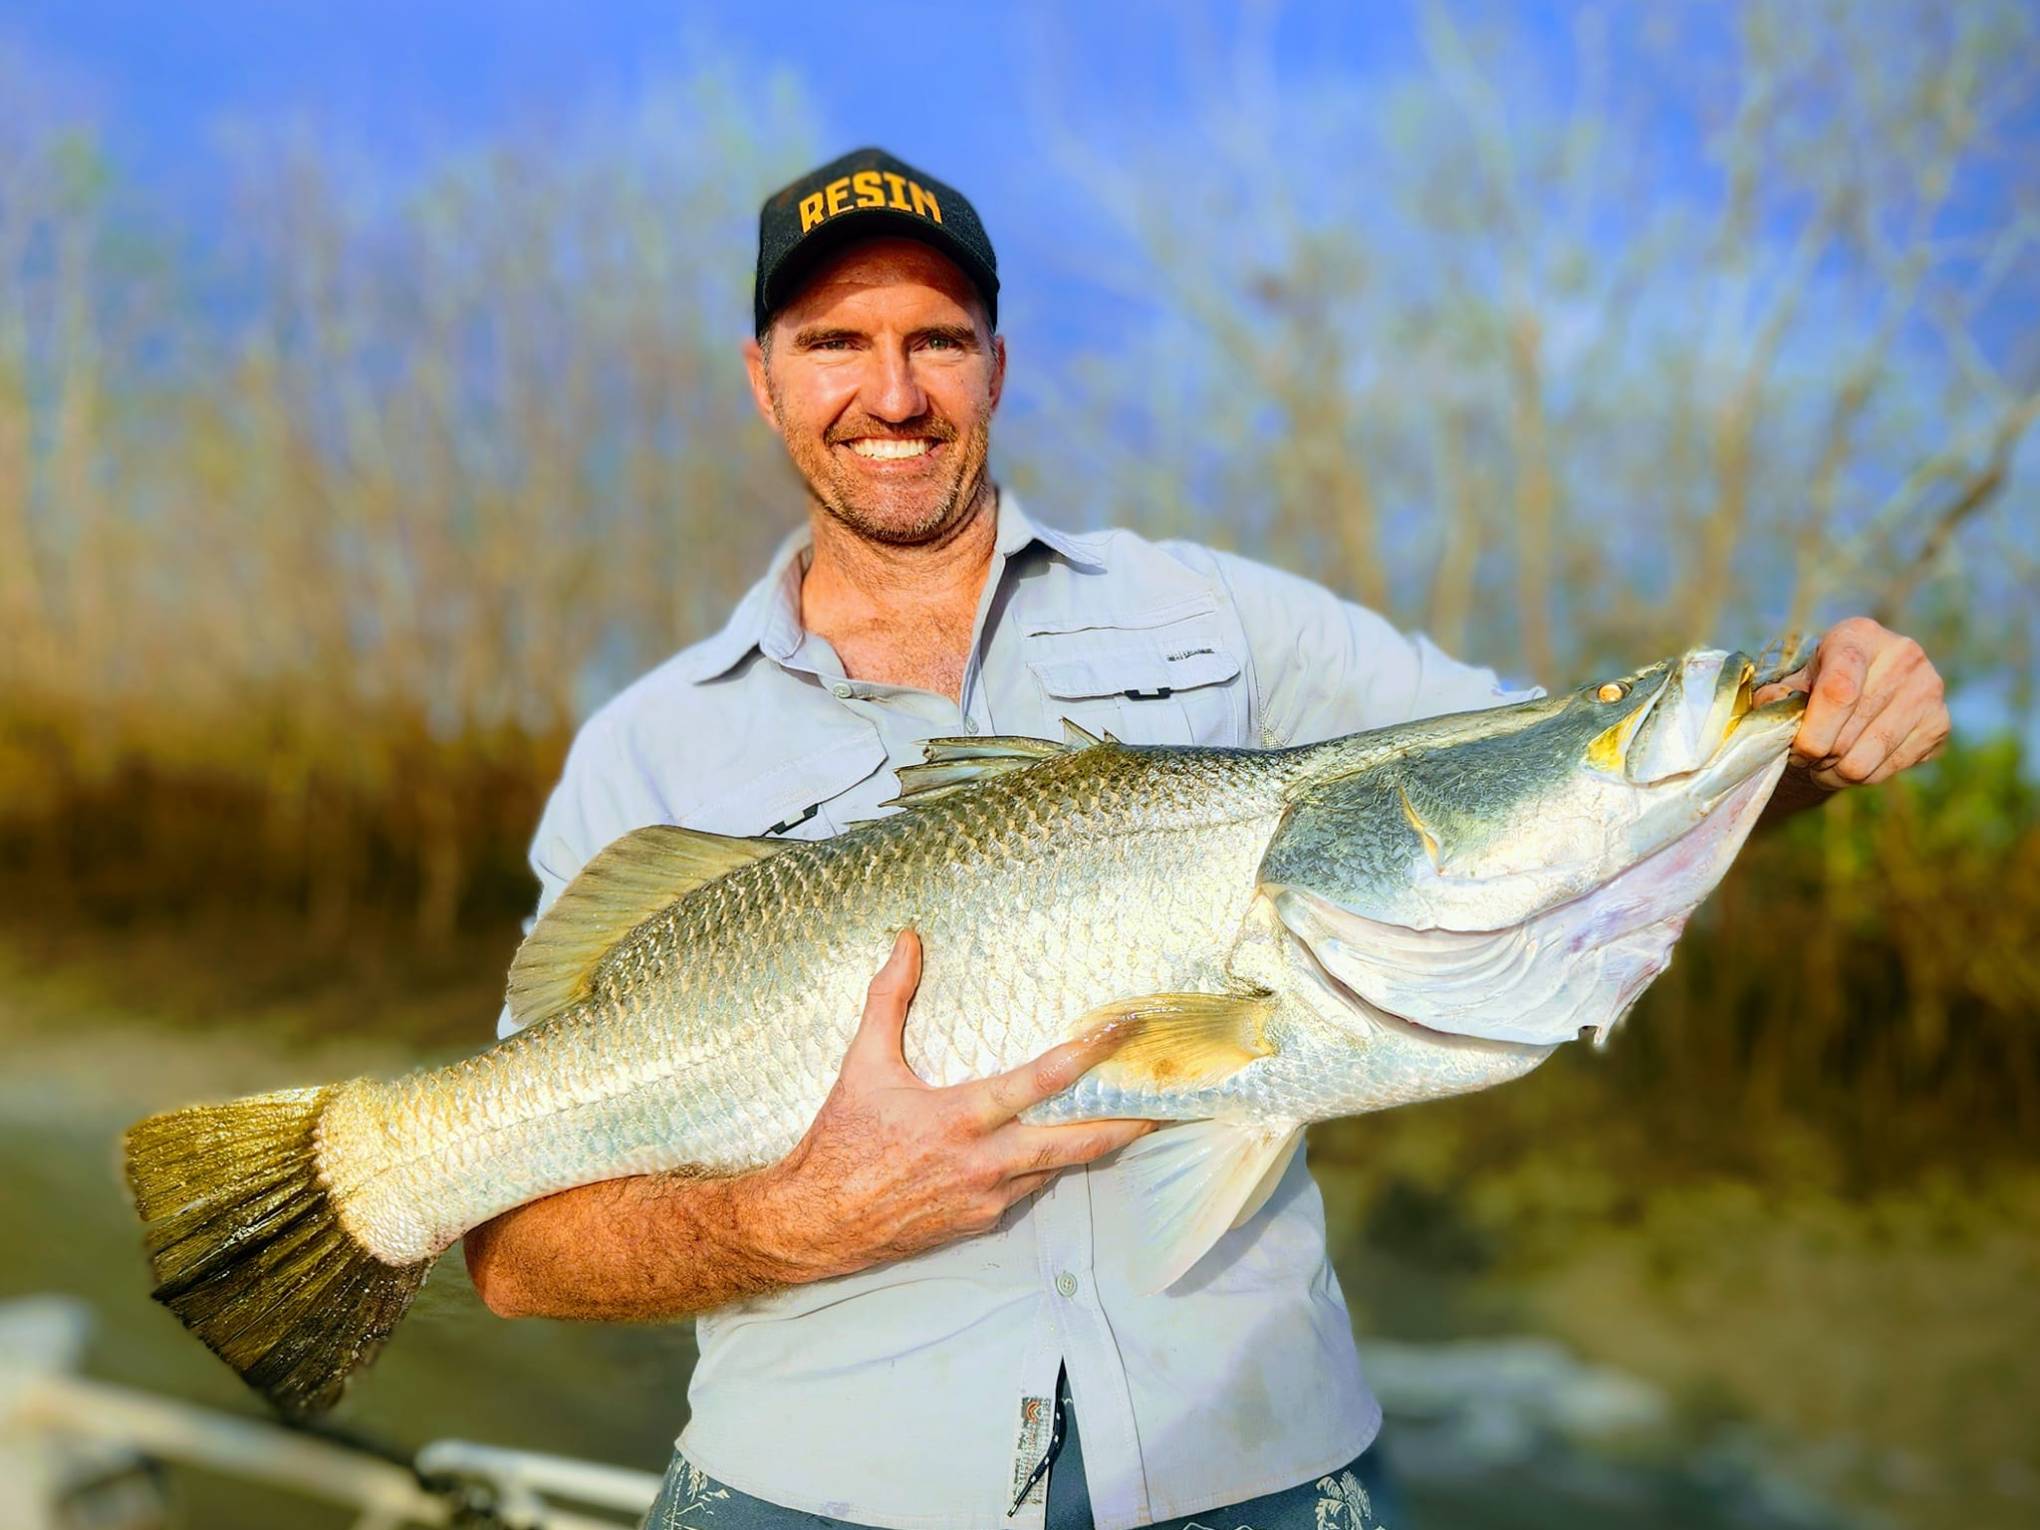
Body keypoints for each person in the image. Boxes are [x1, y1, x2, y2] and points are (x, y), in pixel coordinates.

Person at [461, 148, 1951, 1530]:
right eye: (836, 343)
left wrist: (1806, 738)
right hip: (812, 1489)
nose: (893, 392)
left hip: (1257, 1463)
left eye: (938, 338)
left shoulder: (1219, 615)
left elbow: (1553, 795)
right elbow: (517, 1255)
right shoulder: (642, 749)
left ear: (997, 360)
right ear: (762, 378)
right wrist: (792, 1219)